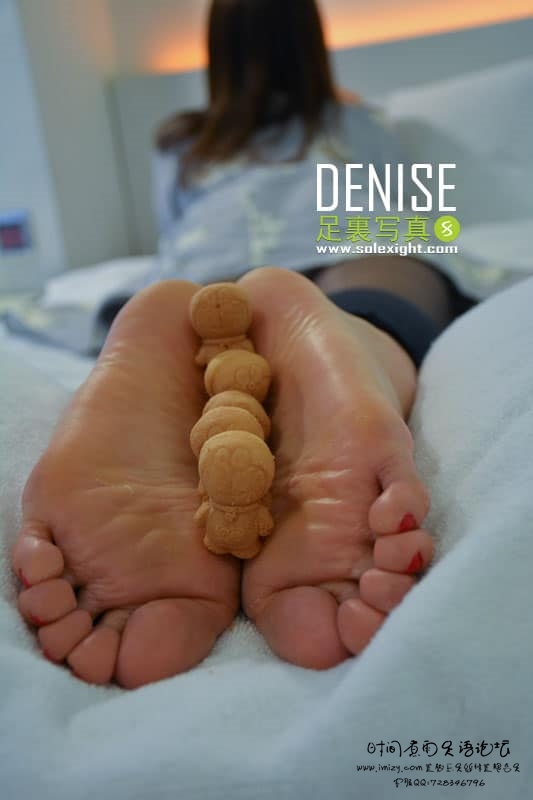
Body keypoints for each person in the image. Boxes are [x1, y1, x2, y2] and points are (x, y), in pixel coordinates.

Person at [9, 0, 472, 688]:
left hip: (210, 266)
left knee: (193, 311)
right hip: (339, 246)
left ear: (218, 50)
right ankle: (356, 336)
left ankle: (192, 377)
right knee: (389, 266)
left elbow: (173, 235)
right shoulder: (355, 125)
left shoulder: (183, 143)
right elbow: (397, 216)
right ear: (311, 42)